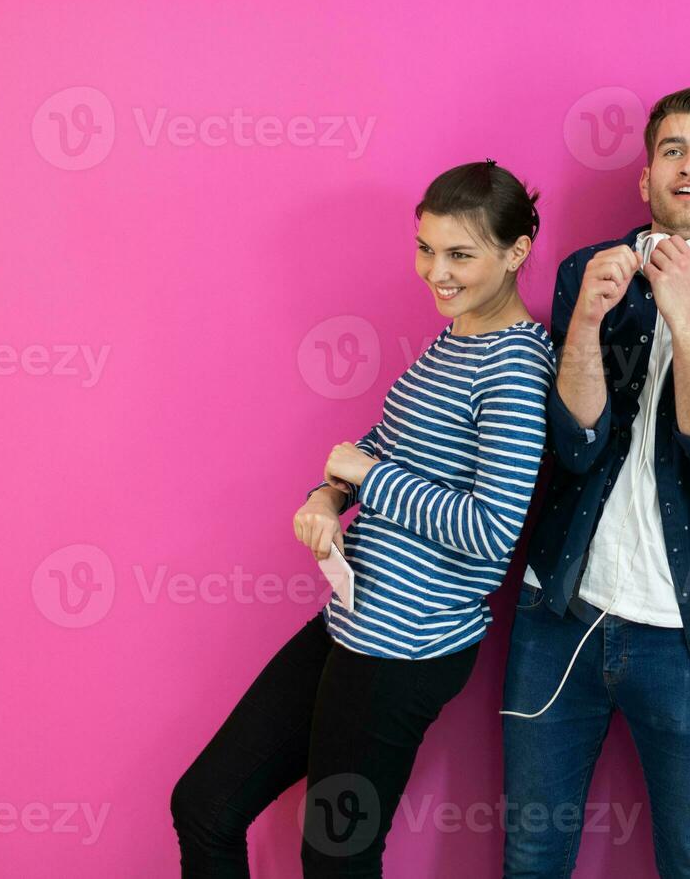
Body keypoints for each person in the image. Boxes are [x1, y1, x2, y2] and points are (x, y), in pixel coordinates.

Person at [170, 160, 556, 878]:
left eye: (460, 255)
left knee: (335, 858)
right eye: (425, 248)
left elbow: (489, 531)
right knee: (205, 804)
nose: (435, 272)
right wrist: (328, 496)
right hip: (353, 617)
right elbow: (380, 445)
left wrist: (368, 478)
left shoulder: (514, 369)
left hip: (405, 648)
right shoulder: (454, 339)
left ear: (517, 251)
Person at [498, 87, 690, 879]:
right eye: (672, 149)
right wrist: (590, 325)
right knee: (532, 853)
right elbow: (576, 443)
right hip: (560, 611)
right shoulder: (587, 272)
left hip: (689, 634)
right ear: (646, 179)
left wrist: (687, 316)